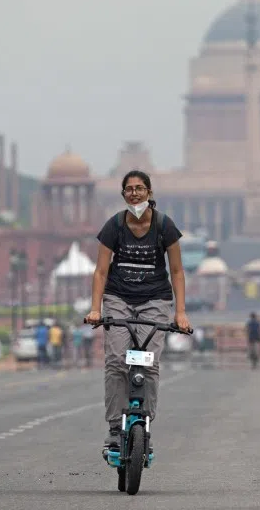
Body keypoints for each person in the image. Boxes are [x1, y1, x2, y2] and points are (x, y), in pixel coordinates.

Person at [85, 170, 192, 450]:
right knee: (116, 361)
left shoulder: (164, 225)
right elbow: (100, 272)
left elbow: (177, 272)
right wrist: (96, 309)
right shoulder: (114, 226)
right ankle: (113, 426)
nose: (135, 193)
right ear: (123, 195)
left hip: (155, 299)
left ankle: (144, 422)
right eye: (129, 189)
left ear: (149, 192)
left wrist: (180, 312)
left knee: (147, 361)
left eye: (140, 188)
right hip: (118, 296)